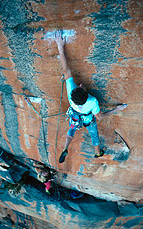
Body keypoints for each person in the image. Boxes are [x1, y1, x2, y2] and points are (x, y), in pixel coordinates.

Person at [55, 31, 127, 163]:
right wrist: (116, 110)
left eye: (79, 86)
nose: (81, 84)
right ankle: (97, 153)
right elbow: (100, 117)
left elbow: (66, 70)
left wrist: (60, 47)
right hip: (88, 117)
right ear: (86, 94)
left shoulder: (72, 92)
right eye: (82, 87)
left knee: (72, 129)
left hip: (75, 114)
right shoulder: (92, 101)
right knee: (94, 134)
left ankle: (66, 147)